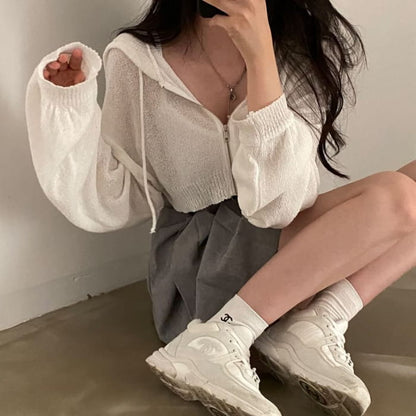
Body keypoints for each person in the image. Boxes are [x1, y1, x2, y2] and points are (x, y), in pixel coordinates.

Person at [25, 1, 416, 416]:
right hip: (197, 268)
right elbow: (116, 198)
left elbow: (279, 208)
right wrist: (67, 110)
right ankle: (220, 338)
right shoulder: (138, 60)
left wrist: (262, 61)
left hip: (277, 244)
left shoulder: (297, 53)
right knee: (397, 197)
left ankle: (318, 319)